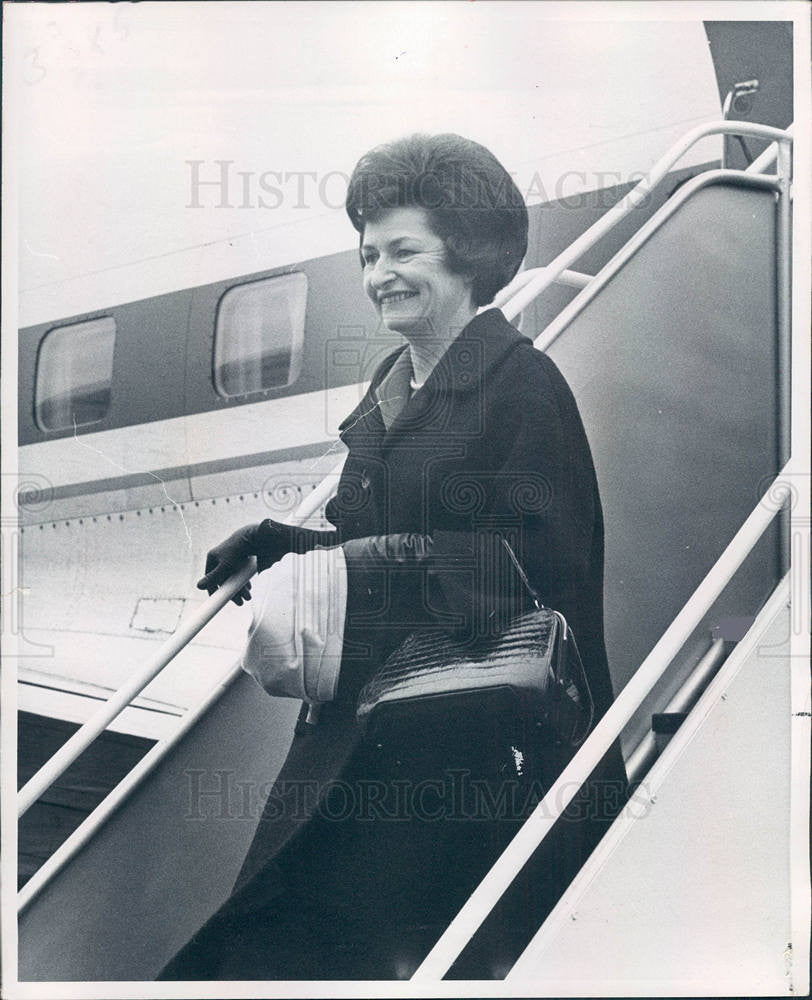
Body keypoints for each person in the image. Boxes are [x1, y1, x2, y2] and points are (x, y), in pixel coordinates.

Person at [159, 133, 627, 981]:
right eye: (369, 253)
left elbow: (534, 570)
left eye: (403, 250)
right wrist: (280, 548)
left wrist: (365, 566)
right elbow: (370, 543)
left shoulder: (525, 387)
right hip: (376, 732)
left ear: (470, 253)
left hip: (465, 758)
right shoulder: (394, 382)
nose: (378, 273)